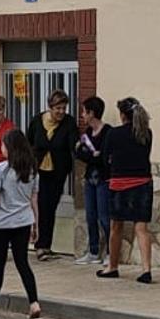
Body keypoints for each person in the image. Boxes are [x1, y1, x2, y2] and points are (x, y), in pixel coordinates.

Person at [0, 129, 43, 319]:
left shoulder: (0, 169)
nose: (1, 148)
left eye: (3, 145)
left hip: (2, 223)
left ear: (10, 148)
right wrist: (36, 224)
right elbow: (34, 200)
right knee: (22, 262)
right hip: (24, 221)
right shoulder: (32, 171)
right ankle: (34, 303)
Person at [97, 98, 154, 283]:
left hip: (119, 183)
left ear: (122, 115)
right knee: (141, 227)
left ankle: (112, 267)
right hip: (143, 182)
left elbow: (105, 158)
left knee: (116, 226)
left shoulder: (113, 133)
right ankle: (146, 269)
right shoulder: (146, 134)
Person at [26, 90, 79, 260]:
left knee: (51, 206)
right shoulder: (36, 121)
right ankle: (39, 244)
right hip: (38, 170)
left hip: (58, 171)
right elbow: (29, 143)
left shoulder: (69, 123)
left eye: (64, 108)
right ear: (50, 107)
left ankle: (45, 245)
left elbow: (72, 144)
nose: (61, 112)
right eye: (58, 108)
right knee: (40, 206)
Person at [74, 96, 112, 265]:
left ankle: (111, 252)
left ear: (92, 113)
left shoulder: (108, 132)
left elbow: (105, 158)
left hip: (104, 179)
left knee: (104, 216)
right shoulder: (88, 133)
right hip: (90, 178)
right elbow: (79, 153)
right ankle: (93, 251)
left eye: (84, 112)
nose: (82, 115)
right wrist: (92, 155)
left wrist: (94, 156)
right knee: (90, 215)